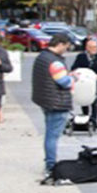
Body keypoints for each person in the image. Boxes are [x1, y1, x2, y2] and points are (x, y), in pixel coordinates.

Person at [31, 33, 78, 180]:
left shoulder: (42, 57)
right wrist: (74, 78)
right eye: (66, 46)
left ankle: (49, 163)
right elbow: (65, 82)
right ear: (61, 44)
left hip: (45, 100)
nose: (66, 49)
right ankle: (50, 166)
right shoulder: (55, 62)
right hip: (57, 102)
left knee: (49, 132)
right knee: (52, 136)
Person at [70, 38, 97, 127]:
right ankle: (85, 119)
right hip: (84, 83)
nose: (94, 49)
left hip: (95, 83)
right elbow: (74, 68)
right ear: (87, 48)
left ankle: (94, 121)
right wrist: (77, 74)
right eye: (92, 47)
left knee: (95, 103)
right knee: (84, 102)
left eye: (95, 47)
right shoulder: (81, 57)